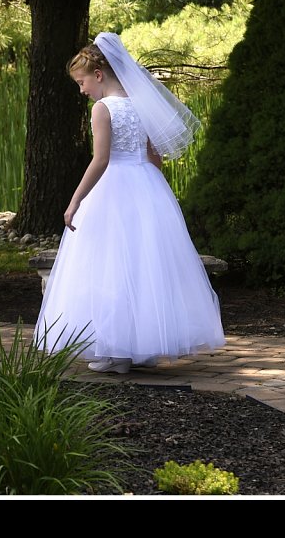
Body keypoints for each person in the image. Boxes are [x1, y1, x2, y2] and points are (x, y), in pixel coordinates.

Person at [34, 32, 225, 373]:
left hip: (114, 187)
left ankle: (117, 351)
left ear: (98, 75)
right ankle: (142, 348)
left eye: (81, 82)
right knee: (143, 265)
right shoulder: (141, 103)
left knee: (110, 265)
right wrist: (155, 196)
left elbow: (101, 160)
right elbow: (155, 158)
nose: (81, 90)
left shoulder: (102, 109)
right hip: (146, 185)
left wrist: (75, 201)